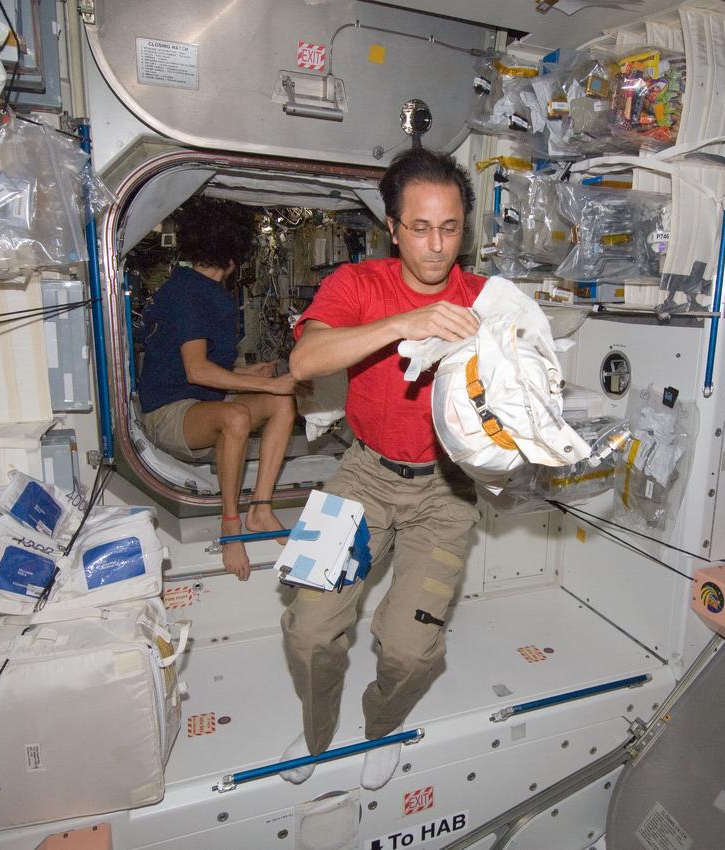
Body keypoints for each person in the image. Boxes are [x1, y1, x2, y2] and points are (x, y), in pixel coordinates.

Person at [279, 148, 484, 791]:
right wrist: (407, 322)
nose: (435, 246)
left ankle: (380, 726)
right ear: (392, 228)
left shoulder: (486, 298)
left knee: (411, 650)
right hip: (362, 474)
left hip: (447, 492)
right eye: (419, 228)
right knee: (309, 629)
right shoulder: (357, 285)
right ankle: (317, 735)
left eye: (450, 228)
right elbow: (307, 361)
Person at [136, 196, 296, 579]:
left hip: (199, 406)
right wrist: (260, 386)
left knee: (282, 403)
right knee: (238, 415)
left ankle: (259, 509)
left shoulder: (199, 290)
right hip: (168, 414)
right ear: (234, 253)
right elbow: (197, 371)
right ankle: (231, 526)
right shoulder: (190, 294)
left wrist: (248, 372)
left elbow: (199, 361)